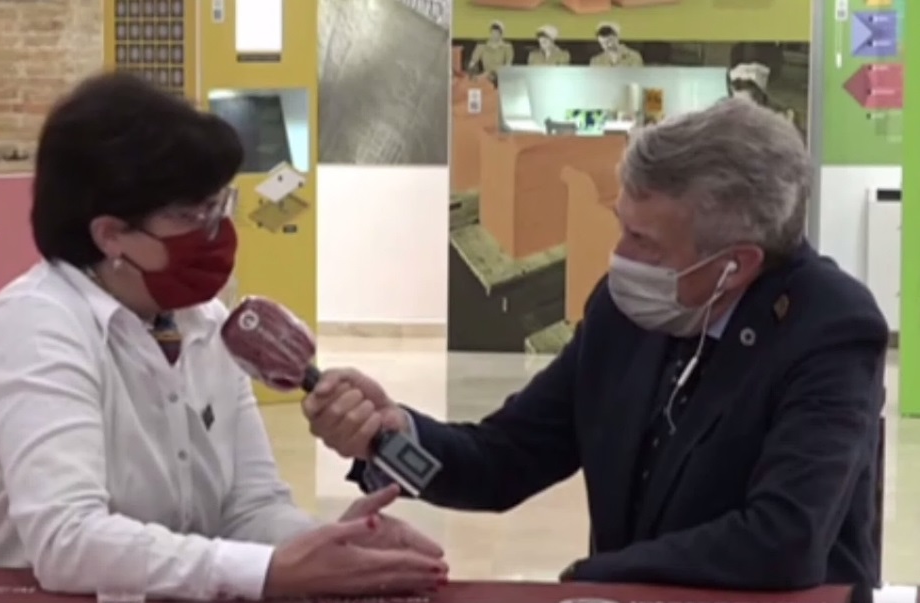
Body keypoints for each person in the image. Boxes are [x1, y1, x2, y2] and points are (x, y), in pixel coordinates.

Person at [304, 99, 888, 592]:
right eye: (621, 225)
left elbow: (783, 539)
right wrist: (390, 437)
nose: (619, 257)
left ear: (736, 264)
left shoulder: (829, 328)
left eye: (643, 239)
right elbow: (505, 459)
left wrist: (594, 578)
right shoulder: (625, 311)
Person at [0, 72, 447, 601]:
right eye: (190, 215)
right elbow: (67, 541)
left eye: (219, 207)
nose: (215, 232)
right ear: (111, 235)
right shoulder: (37, 326)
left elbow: (249, 508)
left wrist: (330, 547)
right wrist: (269, 571)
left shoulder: (207, 324)